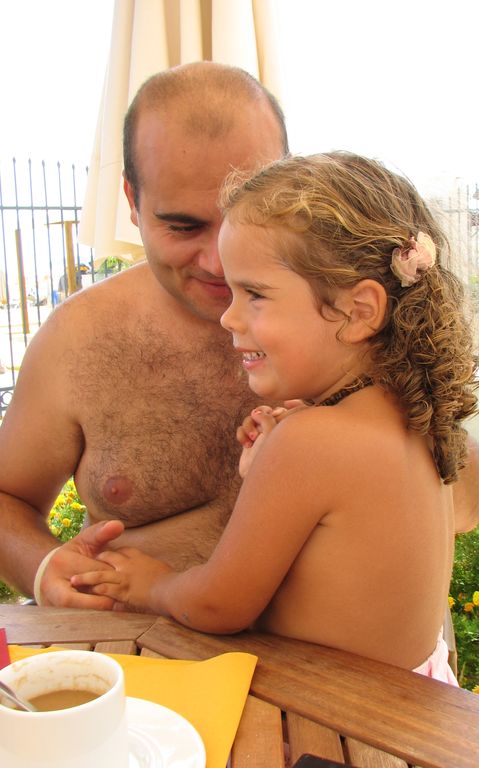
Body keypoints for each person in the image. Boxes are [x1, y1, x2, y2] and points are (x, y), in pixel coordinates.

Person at [71, 152, 479, 682]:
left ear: (359, 311)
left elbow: (220, 604)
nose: (229, 316)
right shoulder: (417, 421)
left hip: (336, 713)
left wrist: (151, 584)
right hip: (419, 694)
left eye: (255, 295)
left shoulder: (309, 441)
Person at [0, 61, 289, 607]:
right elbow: (6, 497)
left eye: (244, 215)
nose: (218, 260)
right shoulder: (80, 339)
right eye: (183, 226)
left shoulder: (358, 315)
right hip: (138, 651)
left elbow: (454, 490)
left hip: (331, 657)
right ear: (132, 202)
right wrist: (43, 567)